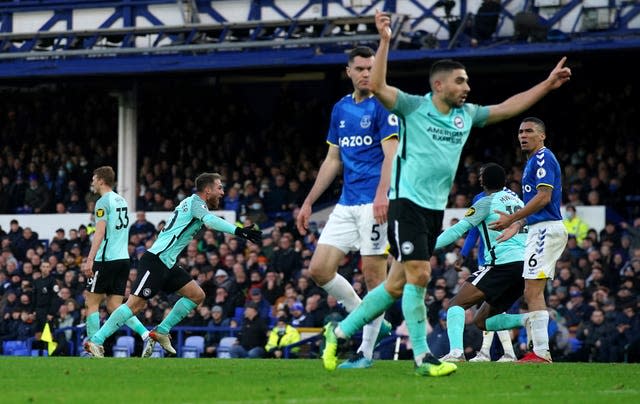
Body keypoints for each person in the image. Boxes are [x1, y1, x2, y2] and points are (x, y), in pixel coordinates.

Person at [321, 10, 571, 377]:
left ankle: (339, 331)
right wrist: (386, 41)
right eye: (460, 81)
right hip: (405, 204)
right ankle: (424, 360)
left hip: (432, 211)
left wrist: (546, 85)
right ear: (439, 85)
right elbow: (376, 86)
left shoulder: (465, 115)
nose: (466, 87)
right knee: (419, 275)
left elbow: (505, 108)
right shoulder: (413, 106)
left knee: (396, 284)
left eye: (466, 80)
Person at [296, 45, 398, 369]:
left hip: (374, 201)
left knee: (373, 279)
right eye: (361, 69)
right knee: (319, 270)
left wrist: (383, 194)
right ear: (349, 72)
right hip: (346, 201)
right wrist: (309, 201)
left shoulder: (383, 104)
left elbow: (391, 154)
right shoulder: (340, 109)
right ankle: (369, 320)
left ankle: (365, 354)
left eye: (371, 68)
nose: (367, 73)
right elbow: (332, 159)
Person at [84, 172, 262, 357]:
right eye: (219, 188)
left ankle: (162, 330)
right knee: (134, 305)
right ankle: (96, 340)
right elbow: (209, 221)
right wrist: (238, 231)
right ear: (207, 190)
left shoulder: (191, 203)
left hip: (167, 263)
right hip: (156, 260)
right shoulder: (195, 203)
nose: (222, 192)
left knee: (196, 295)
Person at [488, 117, 569, 363]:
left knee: (533, 291)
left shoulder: (543, 158)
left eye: (529, 131)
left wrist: (513, 216)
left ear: (542, 135)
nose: (523, 135)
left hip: (545, 229)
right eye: (521, 132)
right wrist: (519, 223)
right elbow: (537, 204)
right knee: (532, 290)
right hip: (537, 228)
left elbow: (544, 198)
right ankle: (539, 350)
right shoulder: (532, 161)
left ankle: (541, 352)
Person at [433, 163, 523, 363]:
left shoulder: (485, 202)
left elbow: (458, 230)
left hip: (501, 264)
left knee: (456, 304)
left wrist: (428, 247)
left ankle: (456, 353)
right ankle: (530, 320)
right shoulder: (518, 201)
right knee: (483, 320)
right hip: (524, 267)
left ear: (483, 181)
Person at [82, 166, 150, 348]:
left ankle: (93, 345)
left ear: (102, 181)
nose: (93, 182)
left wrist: (90, 260)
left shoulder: (103, 202)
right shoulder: (122, 200)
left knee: (91, 303)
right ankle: (146, 334)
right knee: (114, 307)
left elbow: (99, 233)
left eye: (94, 178)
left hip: (106, 260)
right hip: (123, 260)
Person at [456, 180, 517, 363]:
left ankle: (500, 352)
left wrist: (464, 253)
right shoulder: (514, 197)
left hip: (495, 260)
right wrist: (464, 254)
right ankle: (492, 352)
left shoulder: (482, 198)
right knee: (492, 306)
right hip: (505, 259)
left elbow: (473, 230)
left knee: (493, 306)